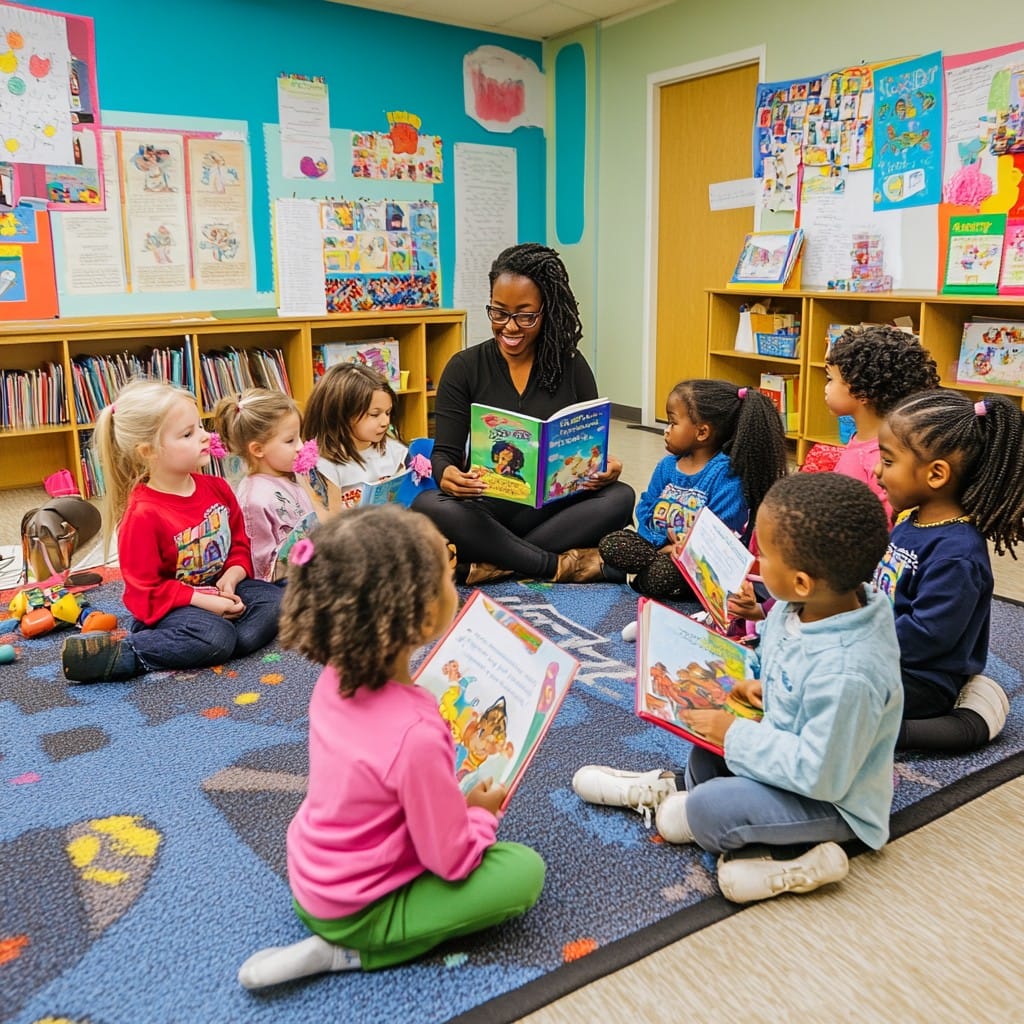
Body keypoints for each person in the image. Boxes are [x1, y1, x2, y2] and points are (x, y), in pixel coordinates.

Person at [236, 506, 545, 989]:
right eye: (447, 573)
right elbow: (450, 859)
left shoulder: (334, 679)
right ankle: (352, 951)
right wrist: (481, 813)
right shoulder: (417, 732)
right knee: (522, 872)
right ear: (421, 616)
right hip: (358, 911)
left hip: (310, 878)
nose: (453, 578)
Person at [573, 473, 903, 904]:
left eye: (763, 554)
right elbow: (781, 655)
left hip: (835, 801)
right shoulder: (802, 603)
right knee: (703, 755)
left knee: (707, 812)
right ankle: (689, 799)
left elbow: (821, 775)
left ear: (802, 581)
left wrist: (734, 734)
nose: (755, 561)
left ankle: (799, 861)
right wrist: (757, 683)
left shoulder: (849, 672)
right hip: (782, 746)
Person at [412, 243, 635, 585]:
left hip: (553, 506)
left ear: (547, 310)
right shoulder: (464, 368)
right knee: (429, 503)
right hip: (485, 507)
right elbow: (444, 453)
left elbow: (593, 445)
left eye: (525, 315)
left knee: (620, 496)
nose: (510, 327)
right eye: (498, 313)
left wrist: (605, 465)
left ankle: (491, 564)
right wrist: (447, 476)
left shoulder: (571, 366)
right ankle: (554, 565)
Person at [60, 380, 283, 683]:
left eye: (201, 427)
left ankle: (224, 642)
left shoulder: (218, 489)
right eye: (188, 434)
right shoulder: (143, 515)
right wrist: (204, 601)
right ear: (148, 451)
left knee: (276, 602)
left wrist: (232, 577)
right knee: (214, 638)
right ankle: (131, 650)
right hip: (172, 606)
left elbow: (239, 546)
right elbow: (145, 591)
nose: (206, 437)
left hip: (219, 590)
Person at [874, 389, 1022, 753]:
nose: (877, 472)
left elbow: (926, 637)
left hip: (922, 679)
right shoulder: (911, 520)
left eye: (888, 461)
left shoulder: (958, 555)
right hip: (882, 652)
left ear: (936, 474)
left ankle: (907, 732)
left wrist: (855, 645)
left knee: (823, 690)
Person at [599, 379, 787, 600]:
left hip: (697, 564)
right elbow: (646, 508)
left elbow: (719, 537)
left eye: (672, 423)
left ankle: (650, 578)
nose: (666, 431)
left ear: (702, 432)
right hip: (660, 548)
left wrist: (680, 551)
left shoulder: (726, 475)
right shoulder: (667, 466)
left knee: (660, 575)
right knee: (611, 544)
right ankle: (648, 573)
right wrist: (660, 546)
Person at [824, 325, 939, 522]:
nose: (826, 387)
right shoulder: (862, 439)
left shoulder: (881, 459)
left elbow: (881, 524)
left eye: (830, 379)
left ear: (861, 392)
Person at [210, 387, 315, 582]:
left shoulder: (293, 476)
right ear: (258, 449)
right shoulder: (254, 500)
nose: (301, 446)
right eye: (290, 440)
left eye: (299, 437)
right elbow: (263, 571)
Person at [302, 362, 408, 489]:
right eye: (374, 414)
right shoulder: (323, 463)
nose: (385, 422)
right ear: (342, 414)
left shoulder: (393, 450)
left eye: (388, 412)